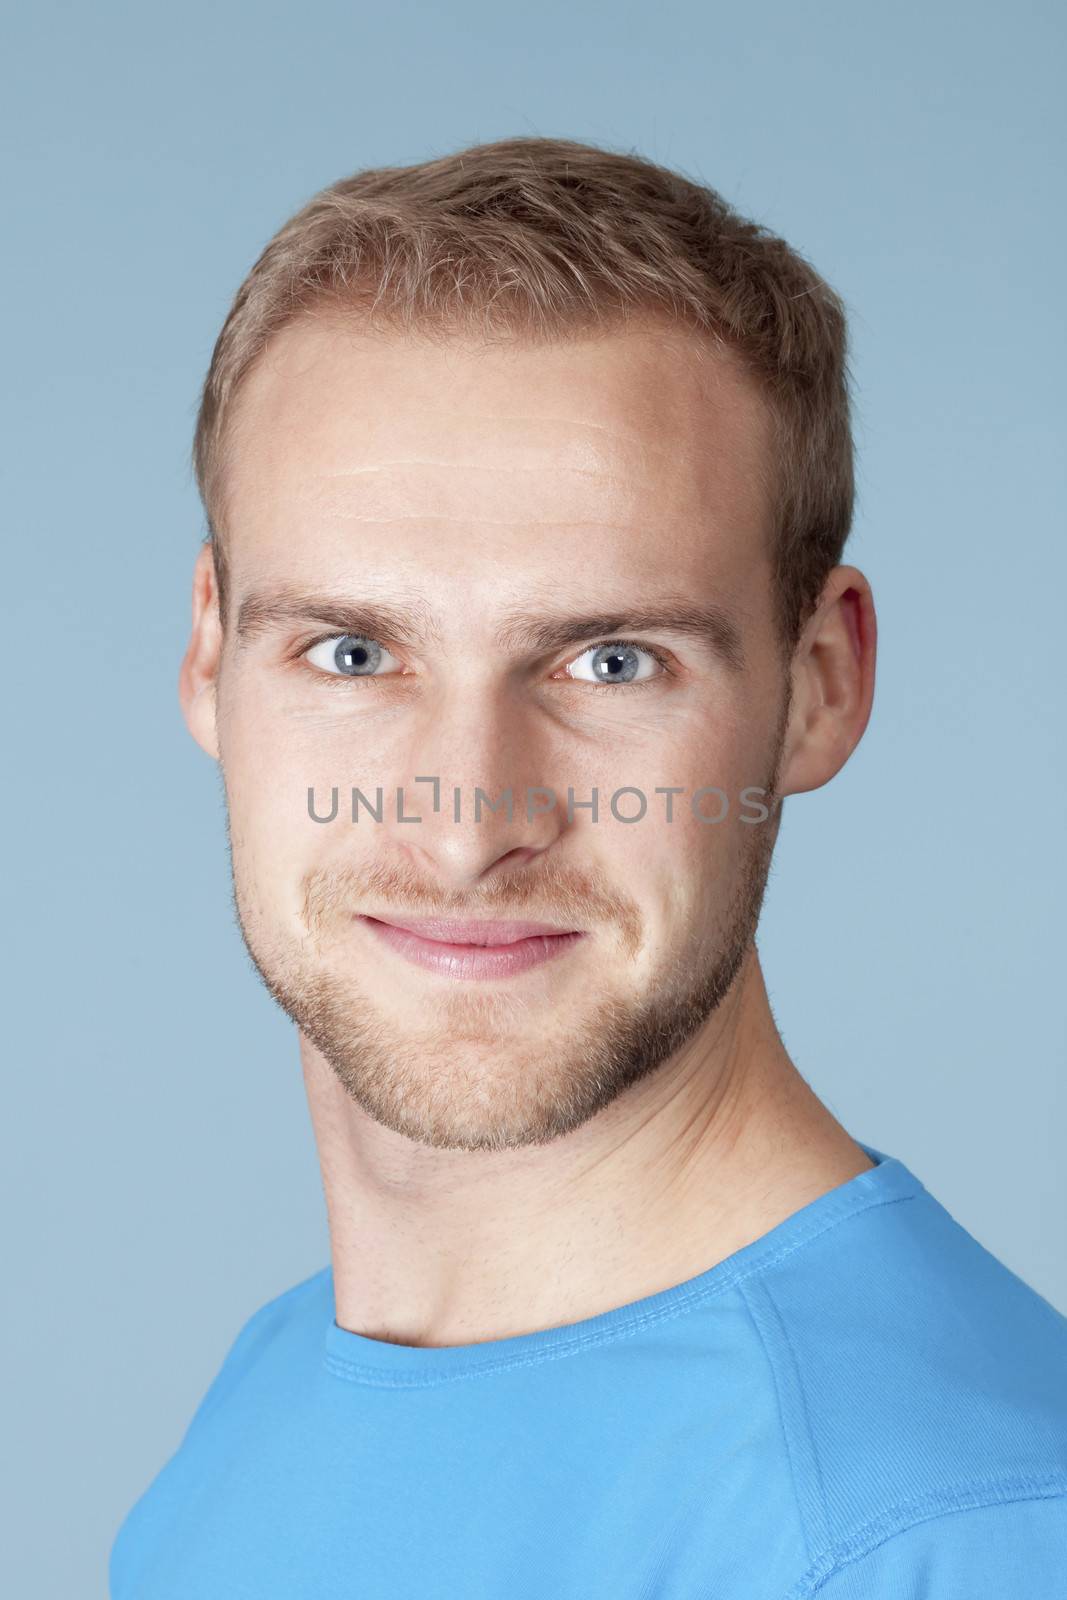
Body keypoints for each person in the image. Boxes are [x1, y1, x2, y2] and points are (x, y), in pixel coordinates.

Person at [108, 135, 1067, 1597]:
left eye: (611, 661)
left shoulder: (962, 1534)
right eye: (354, 651)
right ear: (207, 654)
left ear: (819, 683)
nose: (465, 820)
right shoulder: (276, 1397)